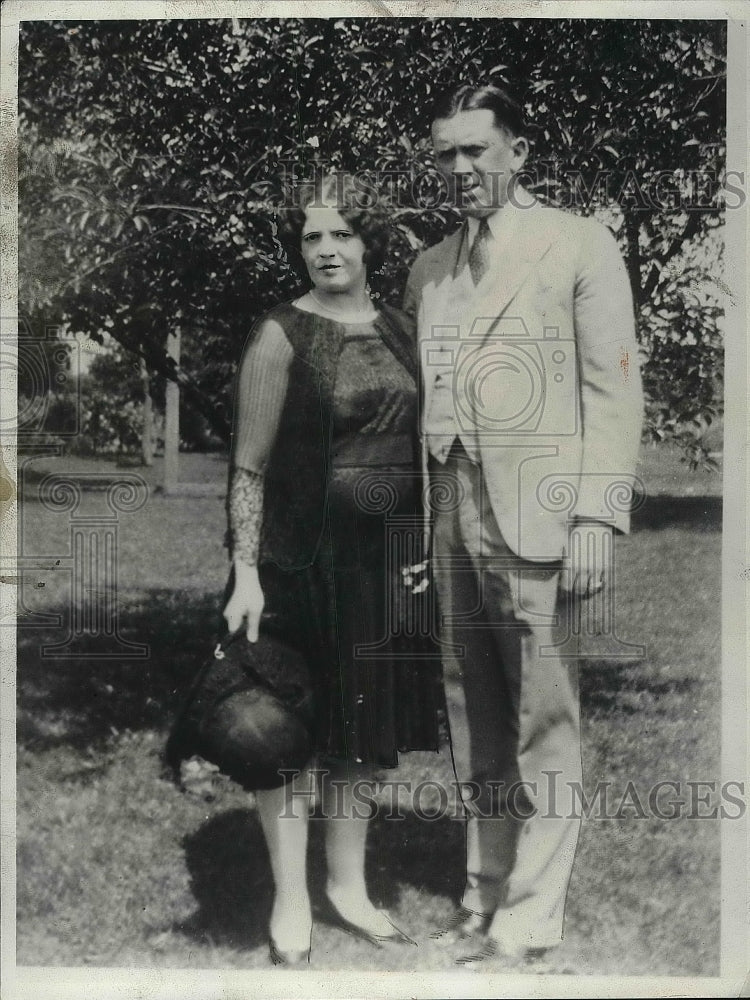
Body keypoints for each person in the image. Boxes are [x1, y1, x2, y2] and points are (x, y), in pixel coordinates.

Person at [404, 84, 644, 963]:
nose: (461, 169)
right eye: (446, 155)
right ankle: (486, 889)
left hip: (544, 514)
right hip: (452, 509)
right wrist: (425, 527)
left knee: (545, 715)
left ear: (518, 152)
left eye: (477, 150)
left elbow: (613, 387)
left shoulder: (579, 242)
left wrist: (594, 515)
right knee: (475, 712)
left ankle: (535, 912)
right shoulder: (427, 269)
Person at [222, 172, 440, 965]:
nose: (325, 249)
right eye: (311, 236)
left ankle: (347, 887)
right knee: (284, 732)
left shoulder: (404, 329)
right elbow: (248, 468)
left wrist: (420, 549)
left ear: (370, 241)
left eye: (341, 233)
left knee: (362, 734)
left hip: (384, 566)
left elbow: (425, 452)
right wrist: (247, 571)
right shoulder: (281, 333)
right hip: (295, 564)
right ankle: (290, 899)